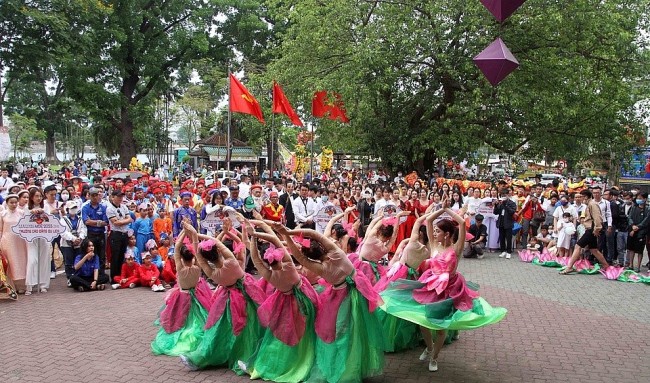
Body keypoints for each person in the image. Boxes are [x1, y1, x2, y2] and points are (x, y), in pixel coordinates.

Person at [379, 203, 507, 372]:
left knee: (441, 327)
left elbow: (461, 223)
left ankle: (434, 357)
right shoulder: (433, 244)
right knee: (423, 322)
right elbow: (429, 220)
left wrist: (448, 211)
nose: (434, 233)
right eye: (435, 231)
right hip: (430, 286)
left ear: (447, 234)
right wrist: (441, 208)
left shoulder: (456, 248)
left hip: (449, 289)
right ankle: (430, 348)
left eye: (438, 231)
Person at [275, 224, 384, 383]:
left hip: (340, 297)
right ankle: (353, 367)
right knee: (356, 331)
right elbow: (314, 234)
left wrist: (286, 237)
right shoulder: (336, 252)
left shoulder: (319, 267)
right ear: (322, 246)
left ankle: (345, 367)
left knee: (341, 333)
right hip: (358, 292)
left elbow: (300, 258)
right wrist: (289, 231)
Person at [179, 221, 265, 372]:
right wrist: (227, 232)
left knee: (221, 327)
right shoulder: (232, 261)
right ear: (218, 251)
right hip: (248, 294)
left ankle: (204, 356)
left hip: (228, 298)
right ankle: (249, 355)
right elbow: (222, 242)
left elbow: (200, 257)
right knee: (252, 324)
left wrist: (193, 235)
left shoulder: (211, 273)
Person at [238, 227, 321, 382]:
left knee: (281, 335)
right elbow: (275, 239)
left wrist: (253, 239)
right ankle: (305, 360)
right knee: (306, 331)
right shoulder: (289, 265)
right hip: (305, 298)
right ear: (281, 257)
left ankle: (274, 365)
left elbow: (255, 258)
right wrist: (257, 233)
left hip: (286, 304)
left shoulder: (269, 274)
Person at [151, 226, 211, 356]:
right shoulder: (197, 267)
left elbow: (177, 247)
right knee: (199, 319)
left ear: (182, 259)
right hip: (196, 296)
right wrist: (192, 232)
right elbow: (196, 247)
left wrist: (183, 230)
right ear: (193, 257)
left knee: (179, 320)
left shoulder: (180, 268)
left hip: (182, 297)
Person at [560, 189, 610, 274]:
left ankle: (569, 267)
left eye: (581, 196)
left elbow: (597, 218)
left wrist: (597, 229)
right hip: (590, 229)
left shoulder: (592, 204)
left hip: (591, 229)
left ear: (586, 197)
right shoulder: (590, 204)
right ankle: (606, 266)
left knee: (578, 246)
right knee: (594, 250)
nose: (580, 198)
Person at [25, 187, 52, 294]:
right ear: (31, 197)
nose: (39, 198)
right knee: (32, 260)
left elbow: (49, 220)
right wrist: (31, 213)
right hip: (31, 238)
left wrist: (43, 212)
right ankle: (30, 285)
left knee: (44, 260)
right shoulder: (27, 208)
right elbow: (23, 222)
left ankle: (44, 284)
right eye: (36, 196)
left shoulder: (45, 206)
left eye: (40, 196)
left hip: (44, 237)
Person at [0, 194, 28, 294]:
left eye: (15, 202)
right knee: (10, 263)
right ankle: (10, 286)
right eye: (11, 202)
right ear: (7, 203)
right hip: (7, 241)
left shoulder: (21, 213)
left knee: (21, 262)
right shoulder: (3, 214)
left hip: (20, 241)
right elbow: (0, 229)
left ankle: (22, 285)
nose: (14, 204)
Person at [81, 187, 109, 276]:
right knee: (91, 254)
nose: (94, 197)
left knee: (101, 255)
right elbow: (86, 221)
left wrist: (93, 222)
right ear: (89, 196)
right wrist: (99, 222)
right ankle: (92, 275)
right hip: (91, 234)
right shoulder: (85, 208)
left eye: (96, 195)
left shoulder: (103, 207)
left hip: (101, 234)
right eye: (92, 195)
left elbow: (106, 222)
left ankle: (101, 275)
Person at [107, 189, 133, 280]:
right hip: (116, 234)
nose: (120, 198)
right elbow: (115, 223)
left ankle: (121, 276)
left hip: (124, 233)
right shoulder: (110, 209)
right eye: (118, 196)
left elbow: (129, 219)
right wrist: (124, 221)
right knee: (115, 256)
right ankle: (114, 277)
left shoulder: (124, 207)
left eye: (121, 196)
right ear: (113, 197)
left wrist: (122, 221)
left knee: (122, 255)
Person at [59, 200, 87, 282]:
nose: (73, 209)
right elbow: (63, 232)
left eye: (75, 207)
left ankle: (78, 277)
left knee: (78, 260)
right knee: (69, 262)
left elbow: (83, 229)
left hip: (79, 243)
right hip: (67, 244)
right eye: (71, 208)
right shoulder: (63, 220)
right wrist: (73, 238)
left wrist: (80, 238)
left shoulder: (80, 219)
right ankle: (70, 278)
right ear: (67, 209)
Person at [493, 188, 517, 259]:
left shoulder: (512, 203)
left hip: (508, 222)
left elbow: (512, 212)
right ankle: (503, 251)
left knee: (508, 238)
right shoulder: (500, 203)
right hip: (501, 221)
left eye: (505, 195)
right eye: (502, 195)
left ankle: (509, 252)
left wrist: (505, 205)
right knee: (501, 237)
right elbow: (495, 212)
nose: (503, 196)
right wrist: (496, 205)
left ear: (508, 195)